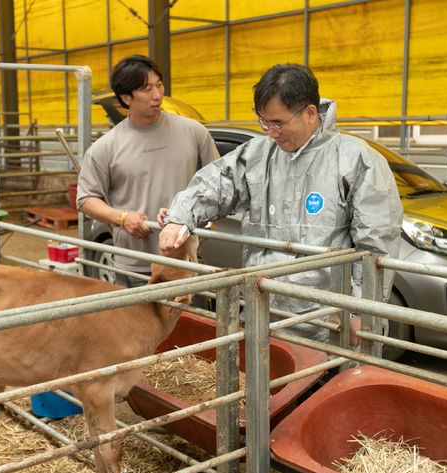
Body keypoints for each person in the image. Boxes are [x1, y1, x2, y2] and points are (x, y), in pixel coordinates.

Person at [159, 63, 402, 343]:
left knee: (327, 384)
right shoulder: (257, 154)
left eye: (278, 123)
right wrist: (180, 216)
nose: (270, 133)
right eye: (263, 122)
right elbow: (216, 182)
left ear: (310, 113)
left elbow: (376, 244)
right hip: (263, 312)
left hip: (328, 324)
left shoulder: (355, 160)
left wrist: (364, 312)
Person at [76, 54, 219, 287]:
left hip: (186, 261)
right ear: (125, 97)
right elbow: (85, 199)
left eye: (159, 85)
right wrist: (122, 218)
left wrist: (203, 228)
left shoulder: (194, 132)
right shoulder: (106, 147)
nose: (157, 95)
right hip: (134, 265)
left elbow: (218, 184)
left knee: (190, 323)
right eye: (146, 89)